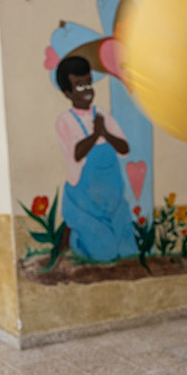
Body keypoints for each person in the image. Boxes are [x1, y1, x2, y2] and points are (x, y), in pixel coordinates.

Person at [54, 55, 138, 261]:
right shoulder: (65, 121)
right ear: (67, 92)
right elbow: (77, 153)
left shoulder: (102, 114)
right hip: (84, 203)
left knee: (128, 252)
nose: (87, 90)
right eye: (79, 86)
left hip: (113, 201)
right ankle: (73, 235)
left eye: (88, 83)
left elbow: (124, 148)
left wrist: (105, 133)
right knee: (104, 254)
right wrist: (95, 134)